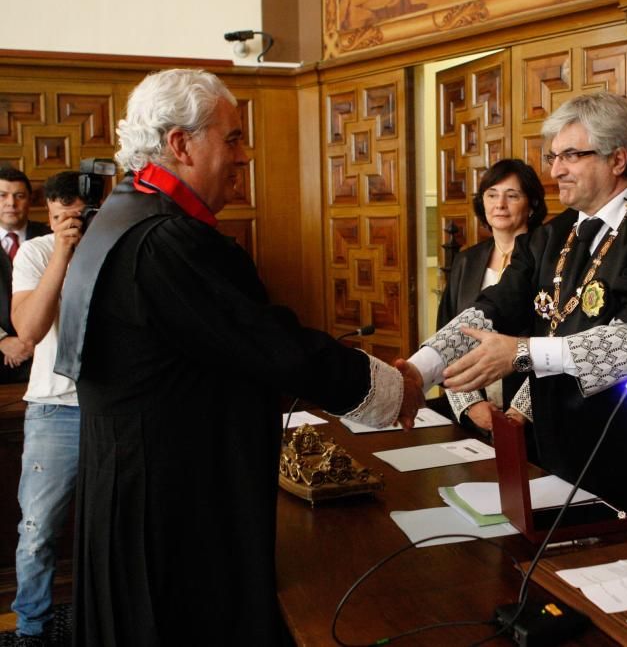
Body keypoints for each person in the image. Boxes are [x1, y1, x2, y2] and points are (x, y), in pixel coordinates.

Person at [53, 69, 423, 646]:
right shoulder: (165, 241)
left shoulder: (125, 217)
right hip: (173, 501)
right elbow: (270, 344)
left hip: (137, 479)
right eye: (231, 139)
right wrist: (394, 388)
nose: (244, 156)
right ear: (180, 144)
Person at [404, 91, 627, 553]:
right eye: (553, 156)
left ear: (619, 158)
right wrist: (420, 369)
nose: (555, 170)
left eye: (571, 155)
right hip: (556, 451)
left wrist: (521, 352)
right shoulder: (551, 236)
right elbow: (492, 308)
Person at [8, 171, 86, 644]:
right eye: (57, 218)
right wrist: (61, 250)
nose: (67, 225)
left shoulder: (117, 250)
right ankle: (31, 629)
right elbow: (30, 330)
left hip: (116, 405)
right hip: (56, 408)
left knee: (116, 524)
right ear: (48, 216)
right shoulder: (37, 253)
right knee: (36, 529)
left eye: (76, 218)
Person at [436, 158, 546, 436]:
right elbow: (447, 333)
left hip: (537, 417)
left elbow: (558, 339)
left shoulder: (552, 260)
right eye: (492, 195)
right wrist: (470, 404)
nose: (500, 204)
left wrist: (522, 409)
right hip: (475, 419)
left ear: (531, 204)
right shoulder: (466, 261)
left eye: (512, 196)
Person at [0, 166, 49, 383]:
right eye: (2, 195)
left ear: (30, 200)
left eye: (19, 196)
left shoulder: (52, 237)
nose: (11, 203)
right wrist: (2, 341)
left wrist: (31, 340)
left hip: (45, 354)